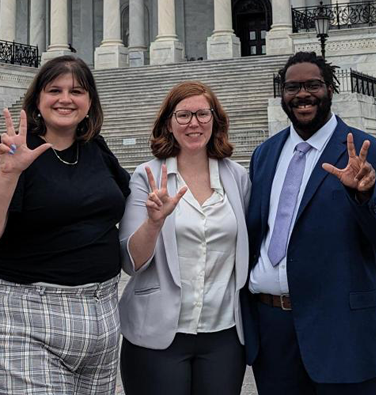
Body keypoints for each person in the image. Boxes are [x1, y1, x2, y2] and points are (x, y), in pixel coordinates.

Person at [241, 51, 376, 395]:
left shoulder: (371, 153)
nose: (303, 94)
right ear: (282, 94)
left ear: (330, 88)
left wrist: (367, 195)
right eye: (292, 87)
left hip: (346, 331)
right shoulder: (265, 155)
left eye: (313, 85)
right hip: (274, 333)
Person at [0, 55, 130, 394]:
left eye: (77, 91)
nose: (66, 99)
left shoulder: (96, 148)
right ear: (37, 99)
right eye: (55, 90)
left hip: (101, 317)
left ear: (90, 101)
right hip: (22, 317)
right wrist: (9, 173)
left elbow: (128, 208)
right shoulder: (11, 150)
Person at [118, 81, 251, 395]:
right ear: (168, 123)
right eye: (183, 115)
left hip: (223, 333)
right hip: (158, 334)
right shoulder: (147, 176)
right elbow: (130, 262)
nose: (194, 123)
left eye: (203, 114)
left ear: (215, 120)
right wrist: (153, 222)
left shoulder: (237, 177)